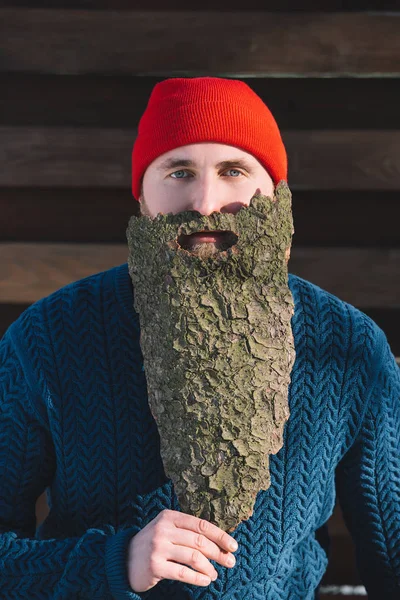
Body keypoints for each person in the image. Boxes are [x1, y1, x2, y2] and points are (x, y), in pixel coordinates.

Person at [0, 76, 399, 600]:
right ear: (142, 193)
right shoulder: (49, 336)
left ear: (275, 192)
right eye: (179, 171)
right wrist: (116, 560)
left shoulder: (348, 347)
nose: (206, 201)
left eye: (233, 171)